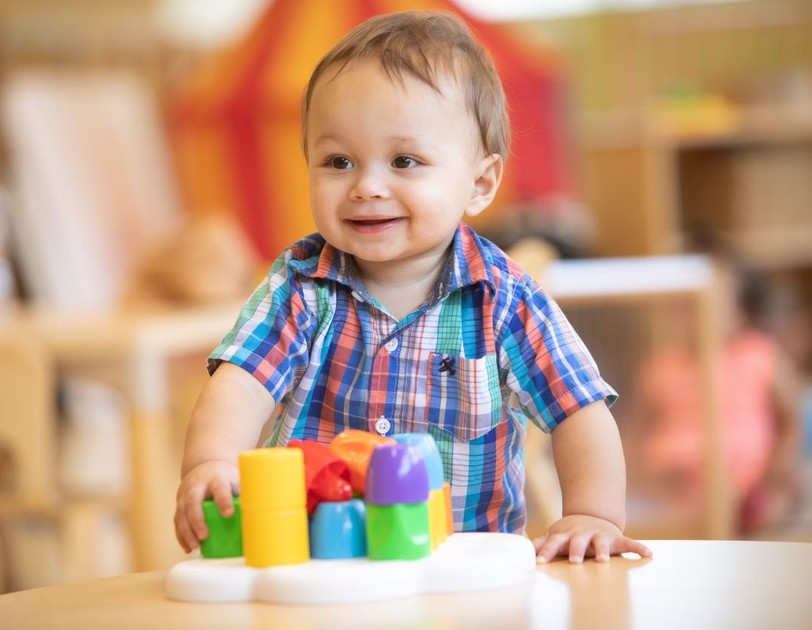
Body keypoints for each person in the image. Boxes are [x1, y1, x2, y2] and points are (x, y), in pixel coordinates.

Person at [174, 10, 651, 564]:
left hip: (465, 565)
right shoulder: (300, 286)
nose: (367, 186)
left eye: (404, 161)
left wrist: (592, 514)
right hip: (316, 562)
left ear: (479, 183)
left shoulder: (506, 301)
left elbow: (579, 409)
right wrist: (211, 462)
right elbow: (242, 382)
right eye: (338, 161)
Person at [635, 237, 803, 534]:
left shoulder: (759, 353)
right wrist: (641, 475)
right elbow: (638, 428)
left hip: (747, 482)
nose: (694, 317)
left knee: (772, 502)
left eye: (715, 305)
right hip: (675, 482)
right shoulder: (662, 365)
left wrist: (777, 468)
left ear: (741, 312)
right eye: (683, 307)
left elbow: (791, 417)